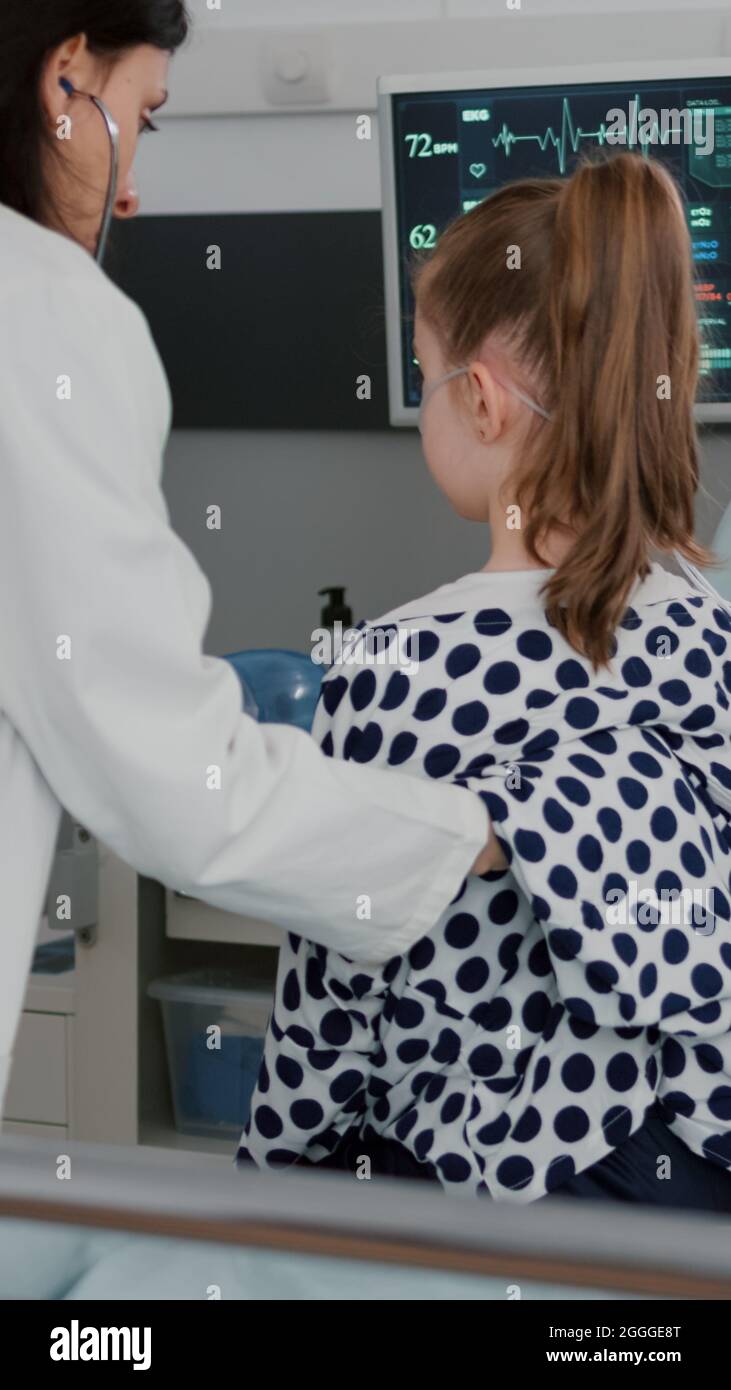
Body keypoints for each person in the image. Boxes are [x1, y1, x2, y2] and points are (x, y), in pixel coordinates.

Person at [0, 1, 498, 1111]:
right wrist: (482, 835)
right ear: (64, 75)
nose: (131, 192)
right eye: (147, 115)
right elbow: (176, 781)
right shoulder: (38, 310)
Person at [239, 153, 731, 1213]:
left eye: (422, 377)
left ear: (481, 400)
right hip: (689, 1190)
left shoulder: (395, 671)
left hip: (485, 1202)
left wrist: (263, 1198)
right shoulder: (708, 632)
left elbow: (330, 1012)